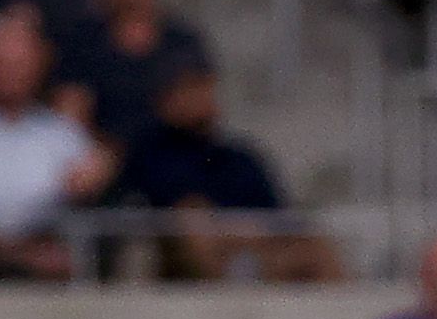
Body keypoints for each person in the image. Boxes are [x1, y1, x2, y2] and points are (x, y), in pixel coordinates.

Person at [0, 11, 113, 278]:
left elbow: (90, 180)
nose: (13, 73)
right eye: (3, 63)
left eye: (21, 64)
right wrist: (21, 257)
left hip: (52, 270)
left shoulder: (61, 133)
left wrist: (103, 167)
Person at [115, 65, 332, 283]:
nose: (202, 97)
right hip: (186, 256)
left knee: (315, 246)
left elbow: (277, 215)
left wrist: (251, 233)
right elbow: (181, 210)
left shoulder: (240, 157)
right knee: (194, 225)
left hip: (257, 249)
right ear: (166, 100)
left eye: (206, 87)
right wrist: (233, 230)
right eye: (190, 89)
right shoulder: (151, 153)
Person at [50, 0, 207, 155]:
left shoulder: (182, 40)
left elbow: (201, 108)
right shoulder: (84, 42)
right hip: (104, 163)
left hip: (171, 161)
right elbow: (69, 115)